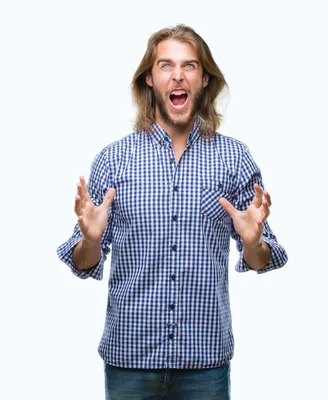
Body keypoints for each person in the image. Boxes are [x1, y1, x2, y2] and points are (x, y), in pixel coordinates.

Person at [57, 24, 288, 400]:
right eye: (166, 65)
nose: (177, 75)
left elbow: (262, 259)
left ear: (204, 79)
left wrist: (253, 242)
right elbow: (83, 264)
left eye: (189, 66)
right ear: (150, 78)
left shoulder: (234, 158)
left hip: (205, 364)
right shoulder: (115, 159)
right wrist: (91, 239)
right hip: (129, 360)